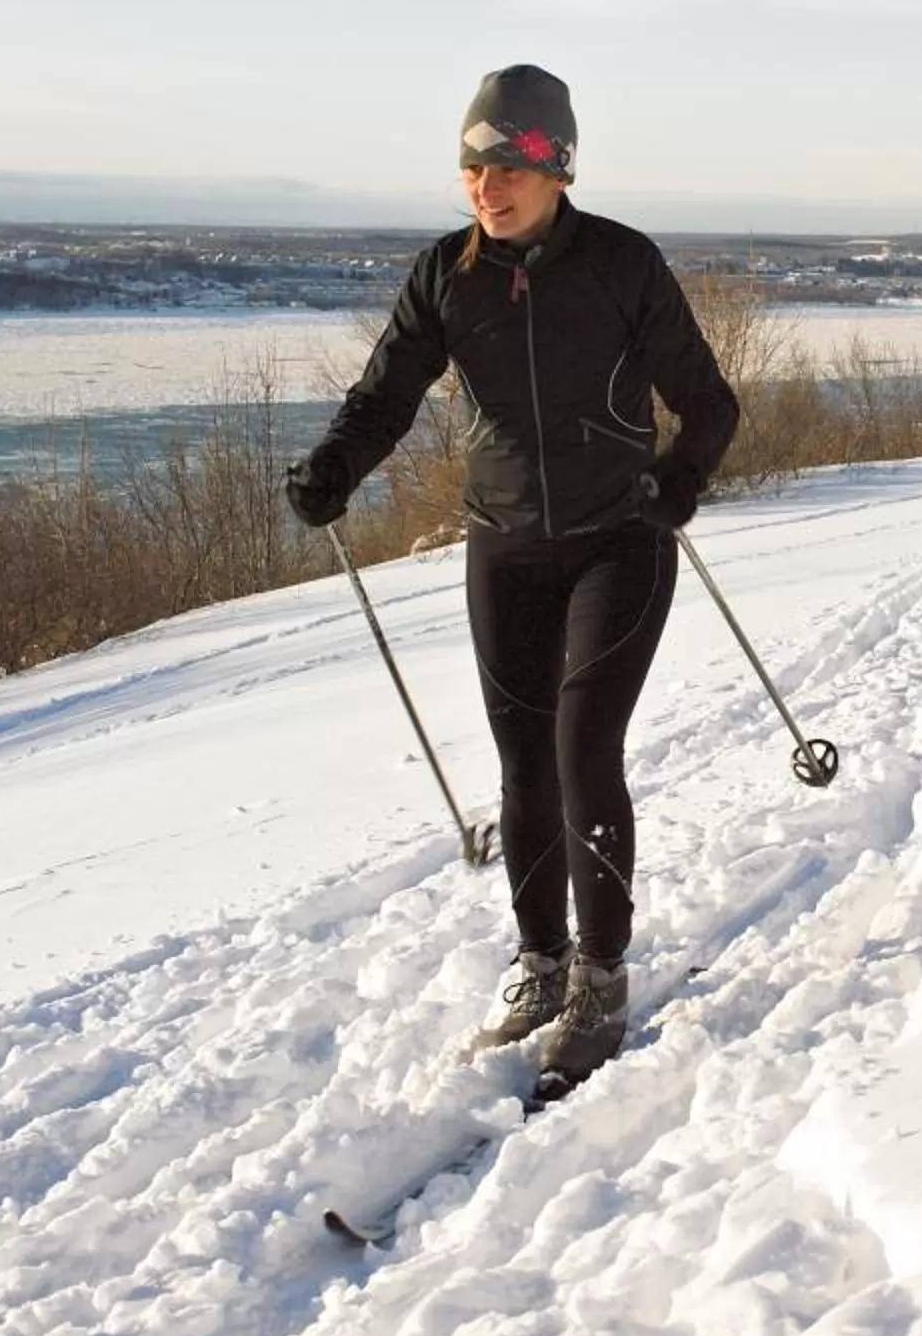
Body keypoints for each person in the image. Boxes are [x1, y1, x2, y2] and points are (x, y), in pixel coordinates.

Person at [284, 64, 738, 1095]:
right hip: (503, 543)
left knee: (583, 744)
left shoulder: (623, 264)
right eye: (472, 164)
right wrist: (333, 467)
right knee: (522, 762)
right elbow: (385, 392)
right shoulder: (447, 274)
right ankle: (539, 964)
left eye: (508, 165)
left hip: (618, 537)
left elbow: (709, 403)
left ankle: (602, 975)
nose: (486, 185)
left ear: (556, 167)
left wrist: (679, 479)